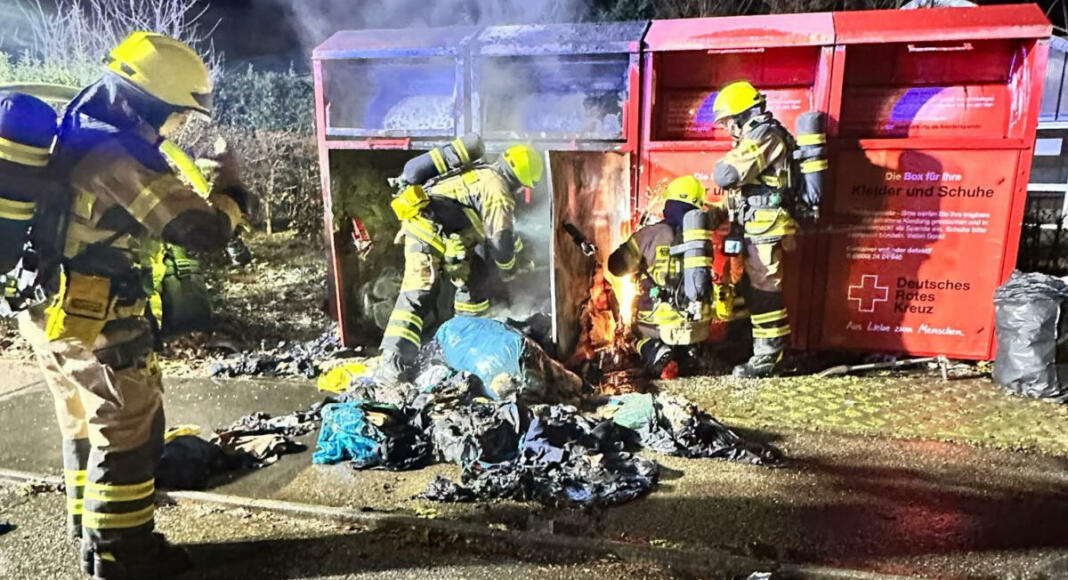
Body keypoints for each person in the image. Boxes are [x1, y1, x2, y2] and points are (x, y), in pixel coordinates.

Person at [17, 31, 247, 579]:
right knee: (130, 429)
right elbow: (200, 230)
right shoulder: (120, 156)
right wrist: (231, 191)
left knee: (82, 422)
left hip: (47, 309)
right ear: (152, 104)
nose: (178, 127)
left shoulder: (76, 132)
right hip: (96, 319)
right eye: (178, 115)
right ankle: (123, 553)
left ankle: (88, 534)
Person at [708, 80, 802, 378]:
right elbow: (743, 191)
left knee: (765, 289)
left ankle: (769, 356)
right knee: (751, 287)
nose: (728, 129)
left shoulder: (765, 135)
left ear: (742, 115)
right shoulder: (757, 137)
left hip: (767, 226)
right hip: (754, 225)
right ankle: (759, 347)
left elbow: (727, 174)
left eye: (729, 122)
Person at [377, 184, 488, 384]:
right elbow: (475, 241)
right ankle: (392, 360)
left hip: (438, 235)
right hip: (424, 237)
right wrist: (451, 258)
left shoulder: (463, 210)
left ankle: (464, 336)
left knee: (469, 280)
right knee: (416, 295)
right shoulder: (479, 209)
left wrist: (454, 259)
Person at [608, 175, 716, 377]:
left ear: (669, 203)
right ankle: (689, 353)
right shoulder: (704, 240)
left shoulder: (650, 235)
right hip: (698, 327)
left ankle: (655, 351)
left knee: (630, 333)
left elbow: (616, 267)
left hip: (660, 327)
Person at [426, 144, 543, 287]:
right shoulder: (499, 194)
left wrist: (520, 252)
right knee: (422, 290)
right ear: (517, 180)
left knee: (477, 275)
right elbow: (500, 240)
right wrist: (509, 269)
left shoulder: (487, 172)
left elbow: (503, 230)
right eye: (523, 187)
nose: (521, 191)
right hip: (430, 231)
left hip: (439, 226)